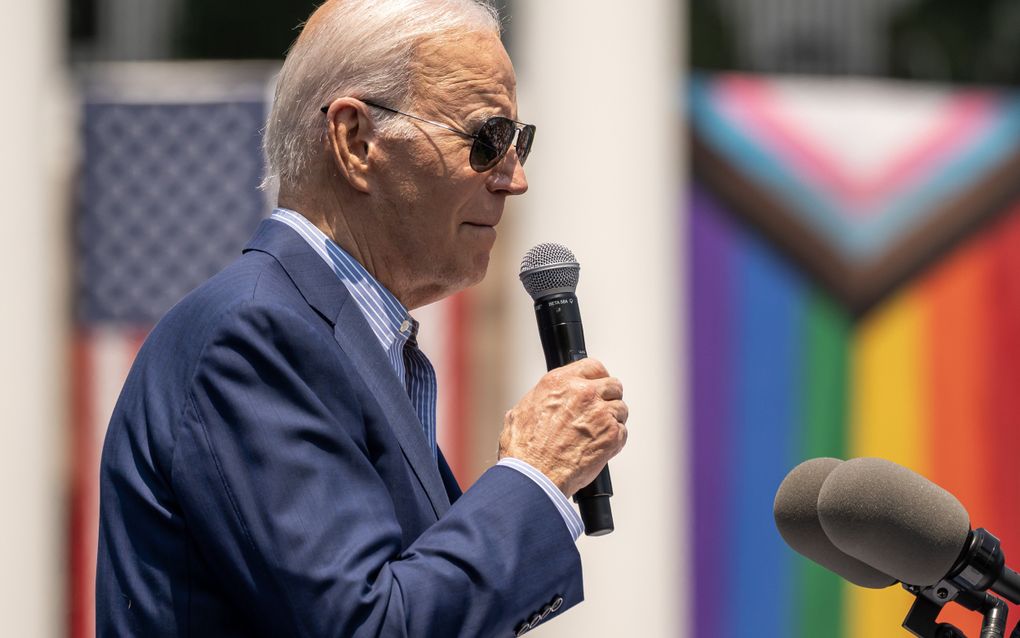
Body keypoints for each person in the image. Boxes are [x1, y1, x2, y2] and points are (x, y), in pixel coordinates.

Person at [95, 1, 629, 636]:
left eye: (520, 142)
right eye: (486, 140)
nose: (514, 179)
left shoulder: (331, 334)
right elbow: (367, 625)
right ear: (355, 140)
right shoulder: (257, 334)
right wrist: (535, 475)